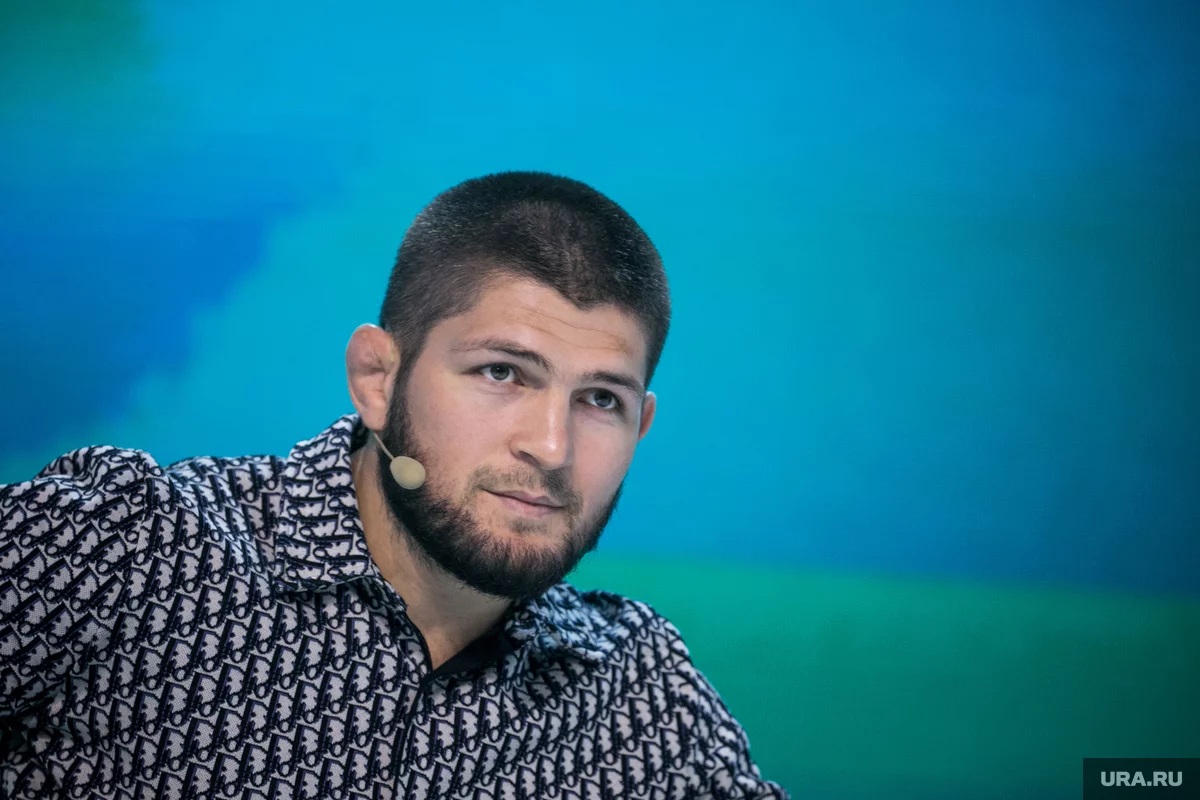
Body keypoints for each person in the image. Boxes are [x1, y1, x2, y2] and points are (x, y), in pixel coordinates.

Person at [0, 172, 789, 799]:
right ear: (377, 379)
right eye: (502, 372)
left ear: (640, 426)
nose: (553, 447)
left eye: (600, 400)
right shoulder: (132, 547)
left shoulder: (638, 695)